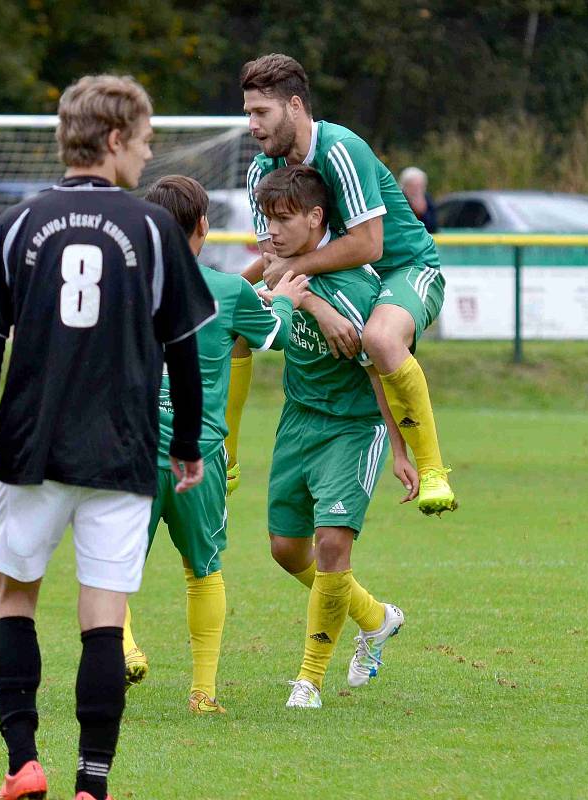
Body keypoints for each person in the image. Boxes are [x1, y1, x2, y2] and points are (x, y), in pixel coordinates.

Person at [0, 75, 216, 800]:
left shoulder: (13, 226)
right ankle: (91, 786)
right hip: (123, 450)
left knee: (16, 598)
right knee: (103, 620)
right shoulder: (154, 229)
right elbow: (185, 348)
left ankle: (22, 763)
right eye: (145, 139)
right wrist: (187, 442)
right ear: (113, 140)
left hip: (31, 447)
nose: (150, 150)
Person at [238, 53, 457, 517]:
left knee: (379, 337)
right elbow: (277, 262)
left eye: (262, 113)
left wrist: (301, 284)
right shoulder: (262, 170)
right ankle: (227, 454)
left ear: (295, 106)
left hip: (407, 268)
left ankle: (433, 467)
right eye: (248, 114)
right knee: (235, 324)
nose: (252, 125)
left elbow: (370, 246)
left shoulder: (340, 149)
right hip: (338, 281)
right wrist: (311, 305)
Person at [122, 175, 307, 713]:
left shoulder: (125, 287)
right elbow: (277, 334)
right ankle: (202, 694)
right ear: (203, 226)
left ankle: (126, 648)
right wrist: (288, 300)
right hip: (196, 454)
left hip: (131, 447)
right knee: (204, 570)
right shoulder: (226, 292)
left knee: (110, 565)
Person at [255, 164, 418, 708]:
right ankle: (376, 618)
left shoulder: (357, 286)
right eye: (267, 219)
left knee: (330, 545)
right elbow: (260, 331)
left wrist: (400, 449)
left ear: (316, 218)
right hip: (297, 422)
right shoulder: (282, 273)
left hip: (353, 430)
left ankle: (310, 679)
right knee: (285, 550)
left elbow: (382, 370)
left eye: (283, 220)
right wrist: (294, 300)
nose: (272, 231)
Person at [399, 166, 438, 233]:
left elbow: (433, 227)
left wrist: (423, 212)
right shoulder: (398, 201)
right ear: (404, 186)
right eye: (413, 186)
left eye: (421, 186)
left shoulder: (427, 199)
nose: (417, 190)